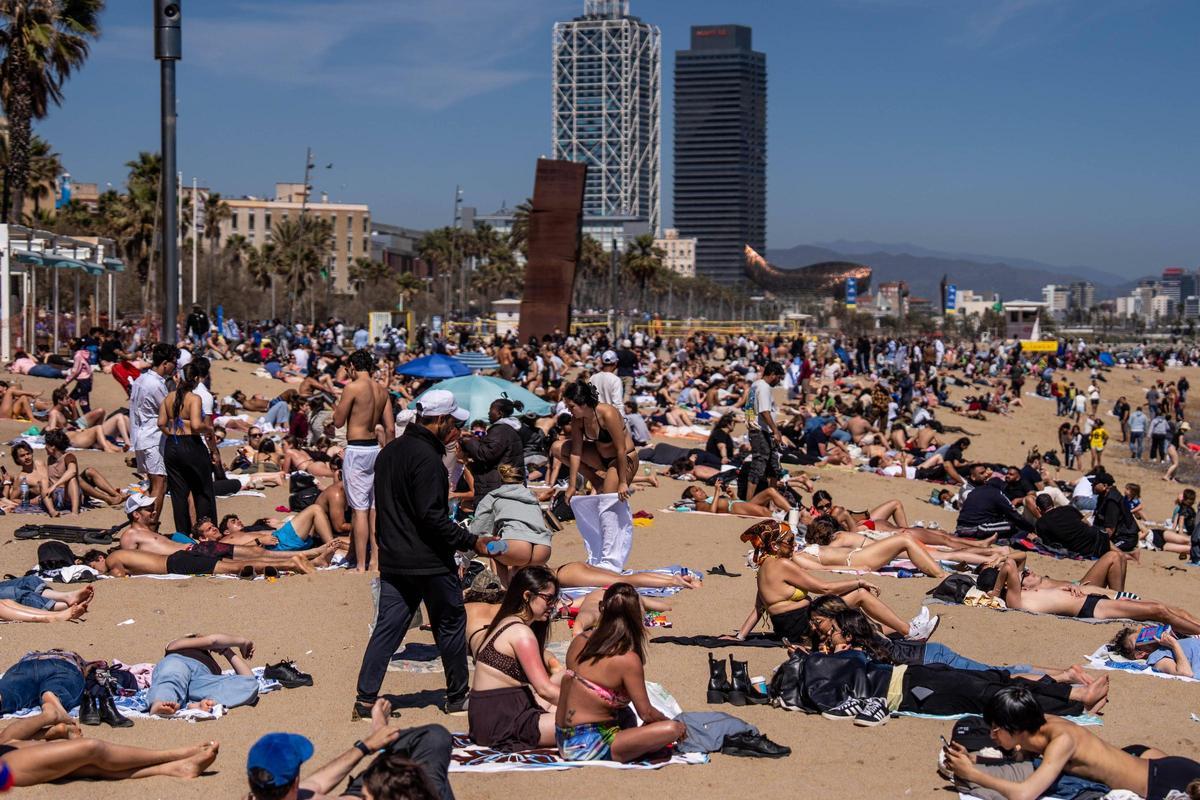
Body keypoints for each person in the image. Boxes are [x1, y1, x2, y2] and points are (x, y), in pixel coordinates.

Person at [353, 389, 499, 720]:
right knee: (450, 623)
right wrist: (472, 541)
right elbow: (432, 518)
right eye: (454, 424)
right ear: (440, 420)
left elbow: (386, 509)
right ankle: (457, 696)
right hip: (429, 560)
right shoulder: (428, 459)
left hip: (395, 558)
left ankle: (365, 699)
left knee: (388, 628)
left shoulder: (389, 453)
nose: (457, 431)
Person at [943, 686, 1200, 800]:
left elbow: (1024, 794)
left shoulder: (1061, 741)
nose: (992, 736)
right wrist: (975, 758)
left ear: (1014, 728)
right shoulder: (1039, 724)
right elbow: (1019, 756)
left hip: (1162, 783)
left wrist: (973, 774)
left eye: (996, 730)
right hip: (1147, 761)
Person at [733, 520, 939, 642]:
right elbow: (824, 588)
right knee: (860, 595)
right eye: (790, 541)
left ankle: (906, 628)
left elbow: (759, 608)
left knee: (855, 619)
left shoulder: (763, 567)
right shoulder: (782, 565)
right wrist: (858, 582)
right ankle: (910, 632)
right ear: (775, 546)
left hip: (790, 627)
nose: (794, 544)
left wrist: (741, 636)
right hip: (802, 626)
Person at [555, 583, 686, 762]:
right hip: (590, 744)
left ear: (601, 608)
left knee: (626, 714)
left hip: (563, 738)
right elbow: (646, 713)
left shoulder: (580, 640)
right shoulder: (627, 659)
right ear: (637, 615)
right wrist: (674, 724)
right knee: (672, 729)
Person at [467, 566, 561, 750]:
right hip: (504, 723)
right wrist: (586, 707)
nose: (553, 605)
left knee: (564, 679)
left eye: (555, 599)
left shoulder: (507, 621)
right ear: (527, 596)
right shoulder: (521, 633)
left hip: (489, 717)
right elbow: (544, 690)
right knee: (589, 722)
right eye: (548, 599)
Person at [984, 558, 1200, 632]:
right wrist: (995, 590)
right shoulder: (1015, 600)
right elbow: (1010, 564)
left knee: (1171, 609)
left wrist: (1070, 588)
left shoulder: (1025, 592)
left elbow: (1013, 562)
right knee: (1159, 611)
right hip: (1092, 608)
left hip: (1093, 599)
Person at [333, 349, 395, 571]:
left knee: (359, 509)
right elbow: (390, 428)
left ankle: (360, 564)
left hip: (357, 449)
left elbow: (338, 421)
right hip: (376, 450)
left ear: (352, 366)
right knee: (375, 508)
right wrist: (389, 455)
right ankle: (375, 562)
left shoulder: (352, 387)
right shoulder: (382, 390)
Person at [468, 464, 553, 586]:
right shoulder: (532, 497)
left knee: (491, 547)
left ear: (500, 481)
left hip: (517, 547)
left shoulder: (493, 496)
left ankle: (503, 590)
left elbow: (477, 529)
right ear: (522, 481)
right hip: (543, 549)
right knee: (521, 569)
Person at [158, 362, 216, 537]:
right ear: (196, 378)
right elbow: (197, 425)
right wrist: (209, 429)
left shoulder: (169, 397)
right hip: (191, 444)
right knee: (203, 490)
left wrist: (171, 434)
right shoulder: (194, 398)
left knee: (178, 493)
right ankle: (207, 530)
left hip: (172, 445)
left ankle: (182, 534)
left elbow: (160, 423)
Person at [146, 633, 261, 716]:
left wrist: (227, 651)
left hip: (202, 678)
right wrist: (243, 642)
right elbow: (212, 641)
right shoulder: (174, 645)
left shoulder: (214, 666)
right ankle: (161, 702)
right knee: (172, 678)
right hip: (180, 662)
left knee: (250, 685)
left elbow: (248, 679)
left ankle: (194, 706)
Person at [562, 379, 638, 503]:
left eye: (571, 406)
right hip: (601, 458)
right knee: (557, 448)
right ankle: (597, 481)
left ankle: (612, 482)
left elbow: (621, 449)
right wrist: (572, 485)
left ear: (583, 403)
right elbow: (575, 452)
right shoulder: (577, 419)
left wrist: (623, 482)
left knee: (607, 500)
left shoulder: (607, 413)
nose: (568, 410)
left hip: (624, 459)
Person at [129, 342, 177, 522]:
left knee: (152, 484)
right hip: (153, 437)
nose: (175, 367)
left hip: (141, 435)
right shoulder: (155, 384)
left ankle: (144, 523)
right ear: (165, 363)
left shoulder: (140, 379)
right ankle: (152, 524)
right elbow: (169, 410)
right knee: (160, 484)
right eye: (173, 363)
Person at [459, 397, 526, 509]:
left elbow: (486, 453)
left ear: (500, 413)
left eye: (491, 410)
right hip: (504, 481)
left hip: (497, 484)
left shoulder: (501, 430)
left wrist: (468, 441)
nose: (489, 413)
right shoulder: (507, 429)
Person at [955, 464, 1035, 541]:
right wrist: (1031, 528)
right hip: (976, 527)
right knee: (1011, 525)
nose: (986, 474)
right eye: (982, 473)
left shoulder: (975, 491)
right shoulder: (995, 493)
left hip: (960, 527)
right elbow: (1013, 514)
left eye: (985, 472)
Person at [744, 361, 784, 497]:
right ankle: (748, 501)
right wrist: (776, 430)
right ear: (772, 374)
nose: (779, 381)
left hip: (759, 430)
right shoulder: (764, 387)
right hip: (760, 431)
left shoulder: (755, 385)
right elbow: (764, 411)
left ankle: (772, 501)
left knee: (773, 466)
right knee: (759, 465)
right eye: (779, 378)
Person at [1032, 493, 1110, 557]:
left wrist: (1035, 539)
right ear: (1052, 503)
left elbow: (1048, 545)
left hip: (1081, 550)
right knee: (1103, 536)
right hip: (1096, 538)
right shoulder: (1069, 508)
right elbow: (1086, 523)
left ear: (1038, 508)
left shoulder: (1040, 523)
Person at [1109, 626, 1199, 678]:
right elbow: (1186, 674)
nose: (1145, 636)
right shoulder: (1157, 657)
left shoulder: (1166, 643)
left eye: (1142, 634)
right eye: (1140, 638)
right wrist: (1174, 645)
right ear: (1140, 654)